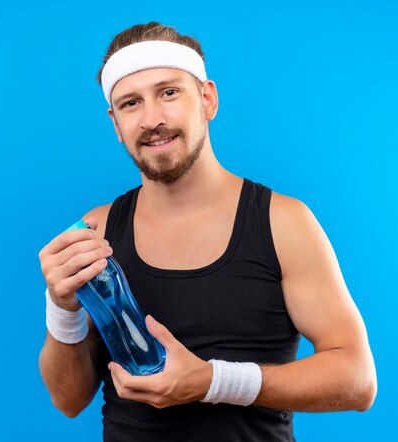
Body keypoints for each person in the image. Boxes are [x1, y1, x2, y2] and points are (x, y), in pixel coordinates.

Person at [38, 22, 377, 441]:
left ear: (207, 98)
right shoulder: (97, 230)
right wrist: (62, 308)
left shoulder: (282, 222)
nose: (152, 119)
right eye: (130, 103)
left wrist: (214, 381)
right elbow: (68, 400)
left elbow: (357, 380)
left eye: (169, 92)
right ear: (115, 123)